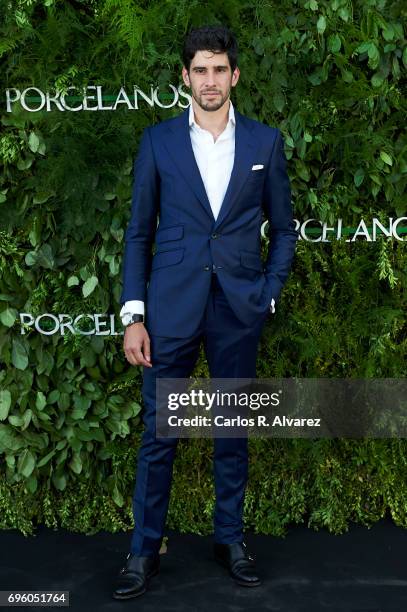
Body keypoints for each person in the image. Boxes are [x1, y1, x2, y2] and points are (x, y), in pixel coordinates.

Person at [113, 24, 298, 600]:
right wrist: (134, 314)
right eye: (201, 70)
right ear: (186, 77)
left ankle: (230, 539)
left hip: (238, 308)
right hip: (168, 310)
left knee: (232, 431)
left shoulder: (265, 144)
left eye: (220, 69)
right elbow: (139, 232)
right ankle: (144, 552)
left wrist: (266, 292)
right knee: (159, 435)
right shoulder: (158, 142)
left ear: (234, 75)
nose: (211, 80)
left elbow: (285, 230)